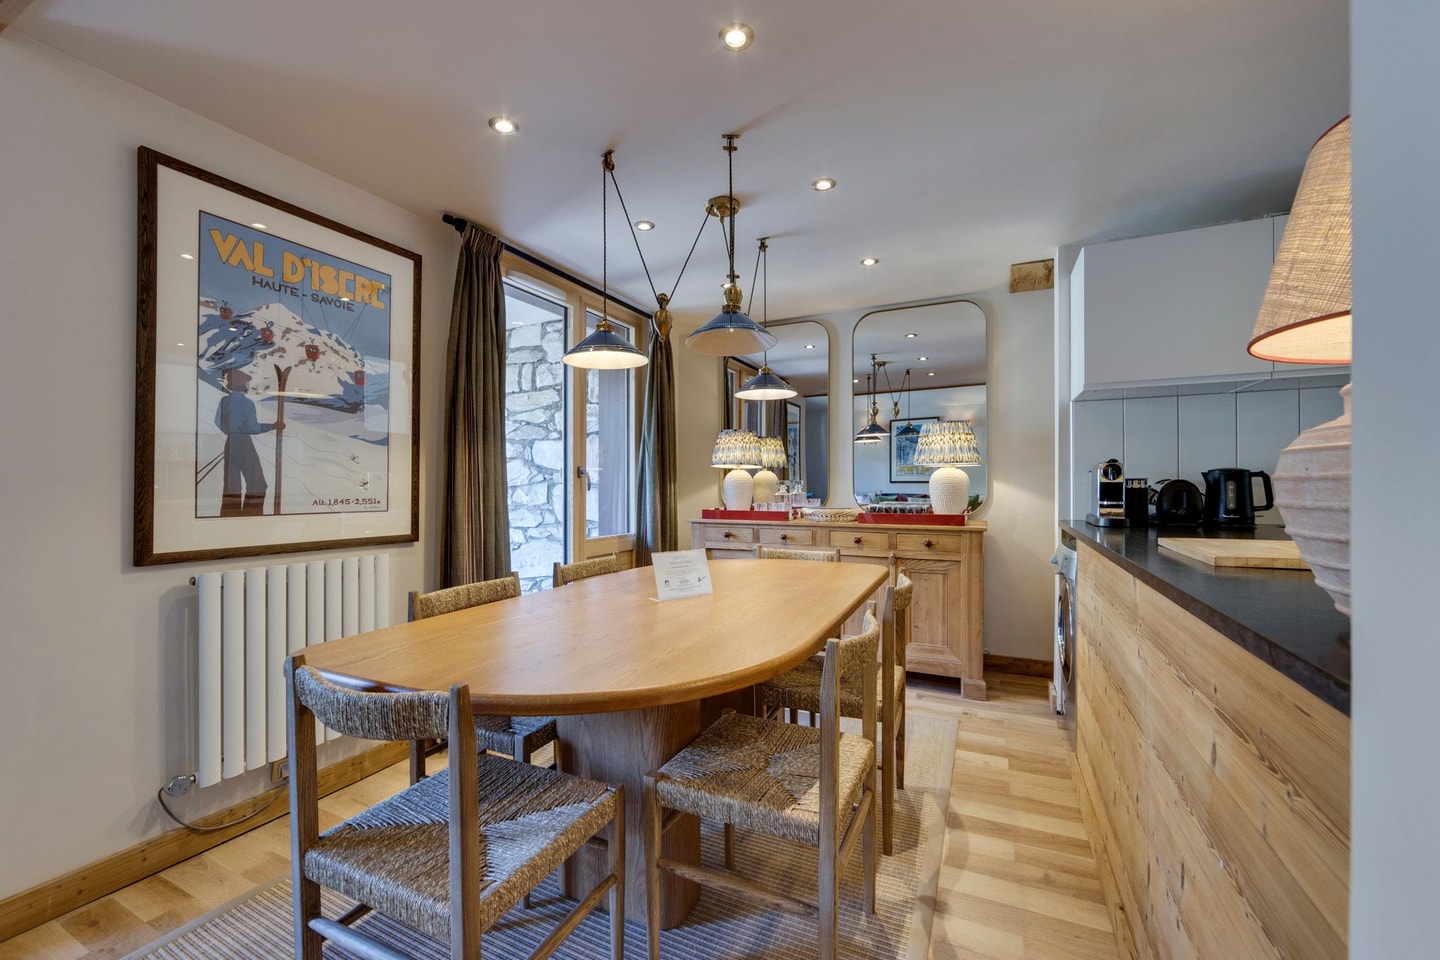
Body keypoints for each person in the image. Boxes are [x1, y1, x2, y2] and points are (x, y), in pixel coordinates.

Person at [215, 367, 284, 516]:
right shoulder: (246, 403)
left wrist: (230, 431)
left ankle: (229, 518)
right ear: (242, 384)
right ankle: (251, 516)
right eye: (247, 382)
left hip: (230, 442)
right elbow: (252, 427)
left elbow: (217, 421)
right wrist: (273, 426)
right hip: (243, 443)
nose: (248, 385)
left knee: (232, 486)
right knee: (258, 484)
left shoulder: (224, 401)